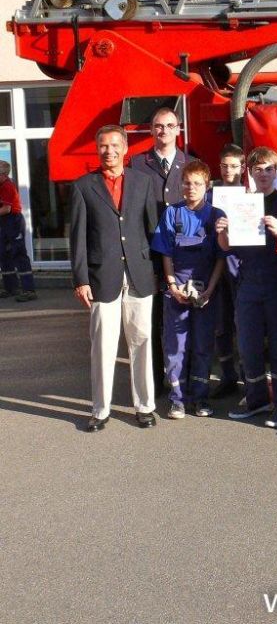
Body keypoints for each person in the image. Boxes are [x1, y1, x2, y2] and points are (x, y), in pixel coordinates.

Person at [70, 125, 159, 431]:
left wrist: (158, 271)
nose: (109, 151)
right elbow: (78, 237)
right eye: (103, 146)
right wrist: (81, 279)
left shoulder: (143, 182)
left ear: (125, 148)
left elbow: (152, 229)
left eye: (114, 145)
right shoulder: (83, 186)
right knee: (103, 345)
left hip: (139, 273)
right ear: (97, 149)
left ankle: (145, 406)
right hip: (101, 276)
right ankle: (100, 410)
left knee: (142, 341)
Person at [218, 147, 277, 427]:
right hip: (248, 282)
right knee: (249, 346)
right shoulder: (241, 203)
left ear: (276, 172)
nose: (263, 174)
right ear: (249, 173)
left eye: (269, 169)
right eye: (258, 169)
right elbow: (227, 247)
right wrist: (223, 231)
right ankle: (256, 399)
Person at [151, 159, 226, 419]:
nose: (191, 188)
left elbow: (221, 257)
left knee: (203, 346)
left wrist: (210, 290)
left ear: (207, 185)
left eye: (197, 183)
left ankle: (200, 398)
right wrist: (172, 286)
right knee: (176, 346)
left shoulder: (216, 216)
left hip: (207, 292)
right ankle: (177, 399)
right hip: (177, 291)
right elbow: (166, 253)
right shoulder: (172, 213)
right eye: (186, 183)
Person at [130, 107, 190, 396]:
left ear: (178, 129)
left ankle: (186, 380)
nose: (163, 130)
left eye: (169, 125)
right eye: (158, 126)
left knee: (183, 320)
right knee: (151, 321)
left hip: (185, 255)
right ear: (152, 130)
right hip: (150, 254)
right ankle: (153, 381)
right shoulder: (137, 164)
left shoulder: (191, 164)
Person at [208, 143, 244, 399]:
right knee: (221, 323)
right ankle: (227, 374)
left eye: (233, 166)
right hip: (217, 264)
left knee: (243, 323)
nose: (229, 170)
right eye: (224, 166)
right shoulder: (210, 194)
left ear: (243, 167)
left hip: (242, 264)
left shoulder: (251, 194)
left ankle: (247, 376)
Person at [0, 160, 36, 301]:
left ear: (3, 174)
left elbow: (6, 209)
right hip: (4, 221)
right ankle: (11, 287)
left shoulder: (8, 186)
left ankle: (29, 290)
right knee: (4, 254)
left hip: (13, 221)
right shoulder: (2, 185)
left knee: (19, 254)